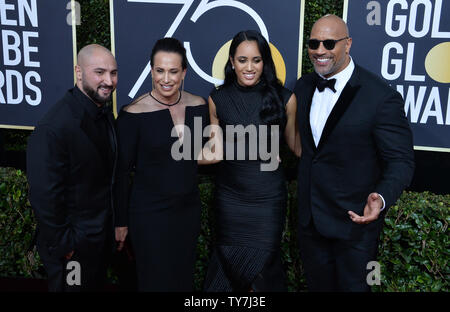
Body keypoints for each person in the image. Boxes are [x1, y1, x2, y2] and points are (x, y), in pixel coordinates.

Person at [293, 14, 415, 292]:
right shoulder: (303, 86)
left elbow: (401, 160)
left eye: (329, 43)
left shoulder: (380, 96)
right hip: (311, 223)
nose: (319, 50)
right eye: (313, 43)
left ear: (348, 44)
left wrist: (381, 198)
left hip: (355, 226)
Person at [203, 30, 301, 292]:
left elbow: (298, 149)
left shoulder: (285, 99)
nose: (249, 67)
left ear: (265, 62)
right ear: (232, 61)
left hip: (267, 200)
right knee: (225, 266)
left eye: (256, 60)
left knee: (264, 271)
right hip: (230, 199)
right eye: (242, 60)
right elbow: (215, 152)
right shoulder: (217, 99)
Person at [114, 37, 209, 291]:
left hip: (187, 212)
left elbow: (203, 153)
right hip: (149, 216)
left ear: (184, 72)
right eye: (160, 70)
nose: (166, 78)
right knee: (155, 282)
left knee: (183, 280)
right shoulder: (133, 114)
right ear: (152, 70)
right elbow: (121, 173)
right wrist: (120, 222)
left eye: (173, 71)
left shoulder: (198, 106)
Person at [26, 44, 119, 291]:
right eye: (99, 72)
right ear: (79, 72)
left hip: (98, 244)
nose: (108, 81)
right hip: (72, 252)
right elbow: (44, 195)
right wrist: (66, 245)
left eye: (113, 73)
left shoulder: (104, 115)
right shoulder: (55, 126)